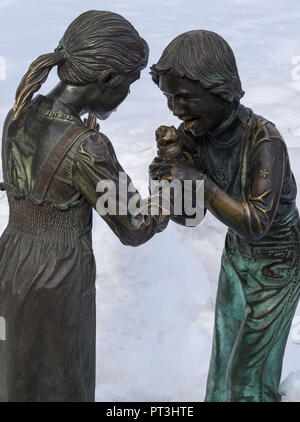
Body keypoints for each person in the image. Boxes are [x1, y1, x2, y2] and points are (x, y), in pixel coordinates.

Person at [0, 10, 173, 402]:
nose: (126, 96)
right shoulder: (87, 148)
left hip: (10, 262)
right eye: (126, 86)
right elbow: (134, 226)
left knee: (16, 374)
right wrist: (170, 192)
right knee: (61, 382)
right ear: (107, 80)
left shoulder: (19, 112)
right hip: (57, 280)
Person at [149, 30, 300, 402]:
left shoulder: (265, 141)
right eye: (168, 97)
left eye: (184, 98)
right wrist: (171, 181)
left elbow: (256, 223)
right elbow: (191, 217)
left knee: (247, 381)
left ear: (222, 90)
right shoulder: (196, 135)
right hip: (237, 260)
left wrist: (199, 181)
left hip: (277, 266)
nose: (175, 109)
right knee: (220, 379)